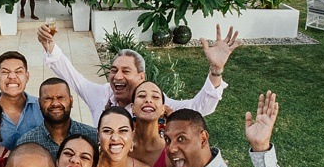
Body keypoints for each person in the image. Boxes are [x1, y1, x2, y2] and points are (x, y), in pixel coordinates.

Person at [36, 23, 241, 123]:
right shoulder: (100, 94)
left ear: (141, 77)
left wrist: (216, 70)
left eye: (126, 71)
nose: (117, 76)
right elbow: (73, 77)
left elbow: (198, 108)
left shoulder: (157, 103)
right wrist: (49, 46)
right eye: (114, 70)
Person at [16, 77, 98, 159]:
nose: (55, 103)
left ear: (71, 101)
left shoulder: (93, 136)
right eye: (48, 98)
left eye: (60, 97)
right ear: (39, 103)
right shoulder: (26, 143)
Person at [0, 50, 44, 149]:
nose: (12, 76)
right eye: (5, 72)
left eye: (18, 71)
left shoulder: (42, 107)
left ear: (27, 76)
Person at [131, 80, 173, 167]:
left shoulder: (170, 153)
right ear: (133, 108)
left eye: (155, 96)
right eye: (141, 95)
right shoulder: (120, 144)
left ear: (163, 109)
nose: (148, 100)